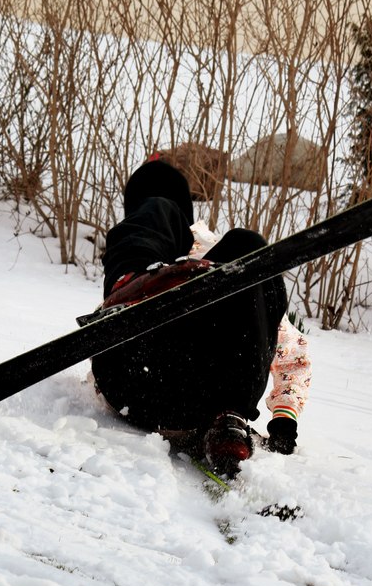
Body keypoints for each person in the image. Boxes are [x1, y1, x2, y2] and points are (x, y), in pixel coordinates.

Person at [91, 159, 311, 476]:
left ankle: (228, 418)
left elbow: (288, 348)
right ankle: (131, 286)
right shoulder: (152, 232)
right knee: (168, 225)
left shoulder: (217, 250)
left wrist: (284, 418)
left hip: (196, 397)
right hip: (136, 376)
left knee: (249, 245)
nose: (158, 206)